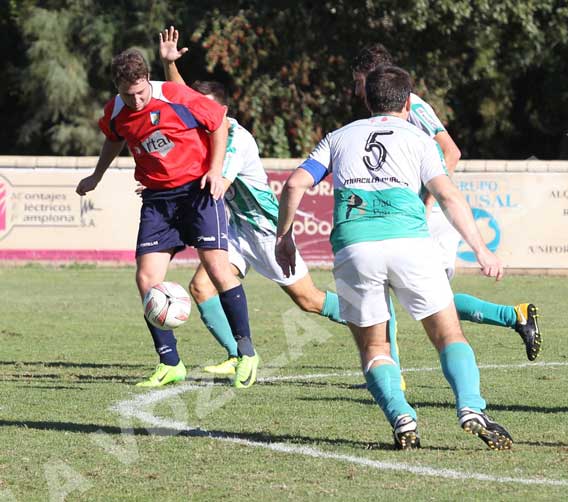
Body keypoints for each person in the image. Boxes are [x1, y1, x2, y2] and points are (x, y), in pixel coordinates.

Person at [275, 65, 513, 450]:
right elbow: (448, 195)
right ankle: (470, 406)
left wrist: (284, 237)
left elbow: (294, 184)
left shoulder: (338, 137)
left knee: (375, 348)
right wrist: (481, 249)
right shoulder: (420, 139)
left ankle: (402, 415)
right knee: (448, 334)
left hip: (355, 248)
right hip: (410, 245)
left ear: (368, 100)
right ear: (407, 103)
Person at [156, 26, 401, 382]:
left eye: (204, 108)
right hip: (238, 228)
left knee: (308, 299)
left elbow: (217, 185)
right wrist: (169, 65)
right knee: (201, 287)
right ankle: (239, 355)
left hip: (265, 230)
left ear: (221, 110)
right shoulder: (202, 133)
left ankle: (371, 314)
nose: (197, 112)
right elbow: (182, 98)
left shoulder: (236, 139)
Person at [75, 48, 259, 388]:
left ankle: (246, 352)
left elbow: (218, 123)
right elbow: (114, 138)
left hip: (198, 191)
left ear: (148, 79)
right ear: (117, 87)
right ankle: (170, 363)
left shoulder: (174, 95)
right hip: (157, 200)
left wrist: (215, 170)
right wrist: (96, 175)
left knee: (217, 269)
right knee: (146, 279)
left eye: (140, 92)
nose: (135, 101)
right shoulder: (115, 110)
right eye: (127, 95)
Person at [352, 44, 542, 361]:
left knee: (434, 301)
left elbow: (450, 151)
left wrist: (426, 203)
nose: (357, 90)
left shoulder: (412, 105)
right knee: (395, 290)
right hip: (408, 214)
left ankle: (513, 317)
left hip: (430, 214)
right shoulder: (382, 115)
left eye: (358, 81)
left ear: (374, 75)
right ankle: (388, 368)